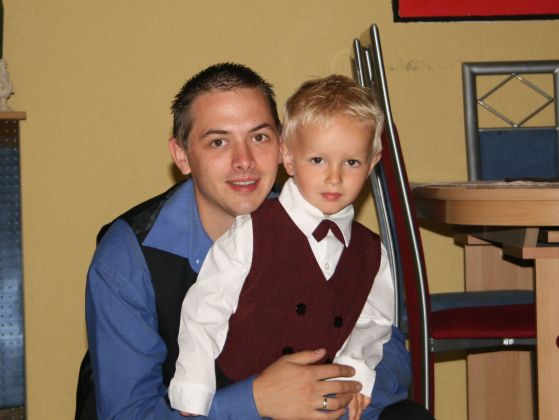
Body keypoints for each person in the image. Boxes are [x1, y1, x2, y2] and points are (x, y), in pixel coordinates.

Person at [76, 62, 432, 420]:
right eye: (218, 142)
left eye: (259, 137)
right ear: (182, 155)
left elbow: (388, 350)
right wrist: (255, 400)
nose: (244, 161)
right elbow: (128, 413)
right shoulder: (127, 258)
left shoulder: (316, 224)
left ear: (282, 147)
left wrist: (344, 391)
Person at [168, 74, 391, 420]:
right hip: (242, 395)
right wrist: (194, 398)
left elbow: (373, 322)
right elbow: (203, 313)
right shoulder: (251, 231)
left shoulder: (371, 251)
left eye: (351, 162)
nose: (334, 178)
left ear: (373, 162)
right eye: (317, 160)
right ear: (287, 157)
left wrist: (356, 373)